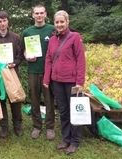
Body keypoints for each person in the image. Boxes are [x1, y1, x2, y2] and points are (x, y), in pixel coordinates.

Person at [43, 10, 86, 155]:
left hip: (72, 82)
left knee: (75, 112)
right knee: (63, 111)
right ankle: (66, 139)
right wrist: (46, 79)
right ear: (54, 23)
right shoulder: (53, 39)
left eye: (62, 22)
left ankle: (75, 141)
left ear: (67, 22)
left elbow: (81, 60)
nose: (59, 24)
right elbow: (49, 59)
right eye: (57, 22)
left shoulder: (75, 37)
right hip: (57, 82)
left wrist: (80, 81)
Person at [22, 4, 56, 140]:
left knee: (49, 99)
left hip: (48, 71)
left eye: (42, 13)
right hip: (33, 71)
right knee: (34, 99)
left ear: (46, 14)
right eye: (37, 13)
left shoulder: (52, 30)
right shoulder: (27, 32)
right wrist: (26, 56)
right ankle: (36, 126)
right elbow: (22, 50)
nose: (39, 15)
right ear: (33, 15)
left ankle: (50, 127)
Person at [0, 11, 24, 138]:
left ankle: (17, 126)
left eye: (4, 20)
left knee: (15, 101)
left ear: (8, 21)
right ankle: (4, 127)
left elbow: (20, 54)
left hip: (12, 73)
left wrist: (15, 63)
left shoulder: (15, 37)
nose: (2, 23)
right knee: (1, 101)